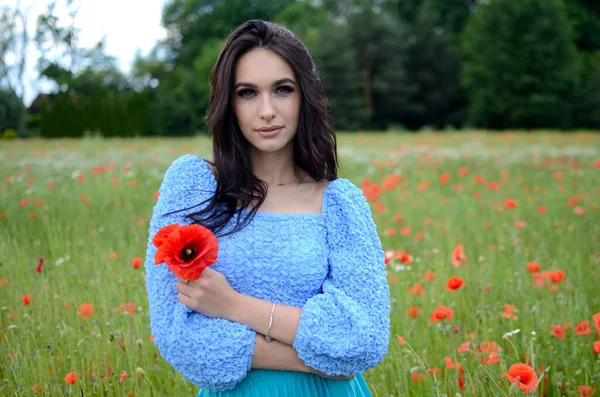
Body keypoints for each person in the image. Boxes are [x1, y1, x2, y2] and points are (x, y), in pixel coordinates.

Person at [144, 19, 391, 397]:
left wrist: (233, 305)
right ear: (228, 102)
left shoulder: (340, 204)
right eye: (247, 93)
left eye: (282, 90)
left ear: (304, 95)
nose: (266, 110)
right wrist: (323, 358)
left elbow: (364, 340)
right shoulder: (193, 188)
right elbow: (179, 338)